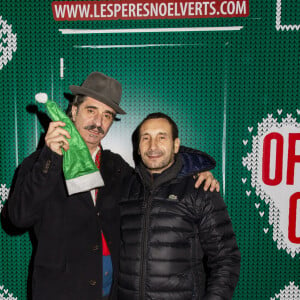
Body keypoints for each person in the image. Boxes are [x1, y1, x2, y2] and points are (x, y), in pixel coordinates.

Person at [6, 72, 219, 300]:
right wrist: (50, 158)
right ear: (74, 111)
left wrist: (192, 172)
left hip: (112, 293)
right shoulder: (38, 163)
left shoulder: (116, 166)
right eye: (91, 111)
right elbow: (18, 219)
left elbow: (155, 177)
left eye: (107, 115)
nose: (98, 123)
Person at [118, 112, 241, 300]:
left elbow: (226, 259)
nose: (153, 146)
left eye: (162, 137)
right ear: (138, 147)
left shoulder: (200, 189)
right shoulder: (125, 187)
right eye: (146, 138)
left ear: (176, 145)